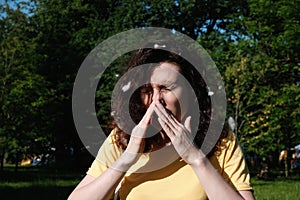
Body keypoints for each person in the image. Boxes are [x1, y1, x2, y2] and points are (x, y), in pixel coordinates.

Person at [68, 40, 255, 200]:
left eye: (167, 88)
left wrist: (195, 158)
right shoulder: (123, 137)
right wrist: (126, 159)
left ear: (191, 91)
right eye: (148, 91)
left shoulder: (220, 139)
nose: (156, 100)